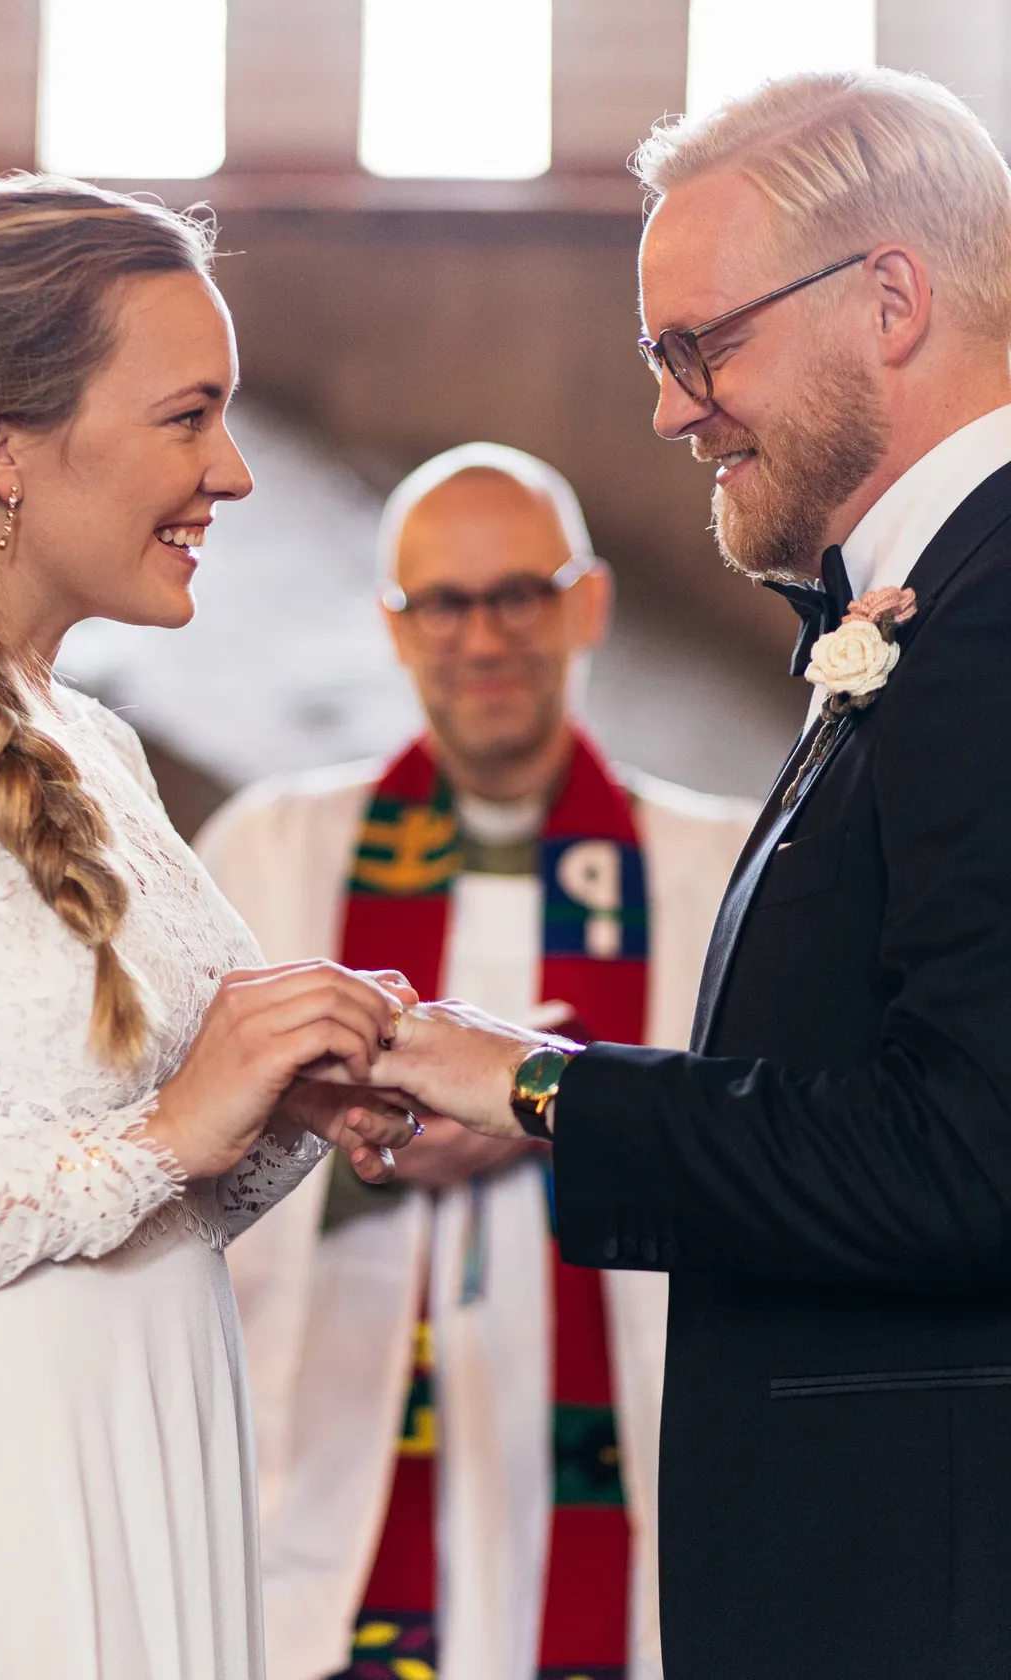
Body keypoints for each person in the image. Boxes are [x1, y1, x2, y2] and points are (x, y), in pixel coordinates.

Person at [339, 69, 1011, 1680]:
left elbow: (972, 1155)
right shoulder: (926, 614)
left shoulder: (994, 626)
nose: (669, 408)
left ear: (892, 301)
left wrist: (546, 1090)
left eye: (698, 344)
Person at [0, 174, 420, 1680]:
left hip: (144, 1460)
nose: (237, 472)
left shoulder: (94, 744)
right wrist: (151, 1143)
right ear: (1, 450)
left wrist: (286, 1106)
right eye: (187, 416)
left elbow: (149, 1194)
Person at [197, 443, 755, 1680]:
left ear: (588, 603)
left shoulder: (715, 871)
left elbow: (759, 1160)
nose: (484, 635)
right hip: (337, 1455)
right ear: (395, 628)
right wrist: (367, 1151)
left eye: (521, 592)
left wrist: (547, 1115)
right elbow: (174, 1151)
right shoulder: (271, 852)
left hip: (629, 1456)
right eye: (443, 602)